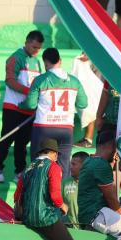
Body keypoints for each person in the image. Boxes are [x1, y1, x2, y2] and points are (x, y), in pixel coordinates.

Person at [14, 138, 78, 240]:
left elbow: (17, 195)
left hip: (26, 216)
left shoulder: (28, 167)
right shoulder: (54, 167)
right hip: (44, 217)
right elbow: (55, 195)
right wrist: (62, 205)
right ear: (54, 153)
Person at [21, 47, 87, 176]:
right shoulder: (74, 81)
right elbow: (83, 104)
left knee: (38, 166)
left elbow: (30, 104)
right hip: (66, 129)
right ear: (60, 61)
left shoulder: (41, 79)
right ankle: (62, 195)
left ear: (45, 62)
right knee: (64, 167)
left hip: (44, 127)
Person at [0, 31, 44, 182]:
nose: (36, 51)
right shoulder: (15, 58)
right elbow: (10, 80)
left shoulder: (37, 61)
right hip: (12, 106)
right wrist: (30, 92)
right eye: (34, 47)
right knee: (6, 140)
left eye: (38, 48)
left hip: (29, 109)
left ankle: (19, 172)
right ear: (27, 42)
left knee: (22, 143)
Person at [62, 151, 89, 228]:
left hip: (89, 231)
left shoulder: (94, 183)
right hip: (70, 230)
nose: (70, 167)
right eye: (70, 163)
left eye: (74, 164)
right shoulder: (65, 183)